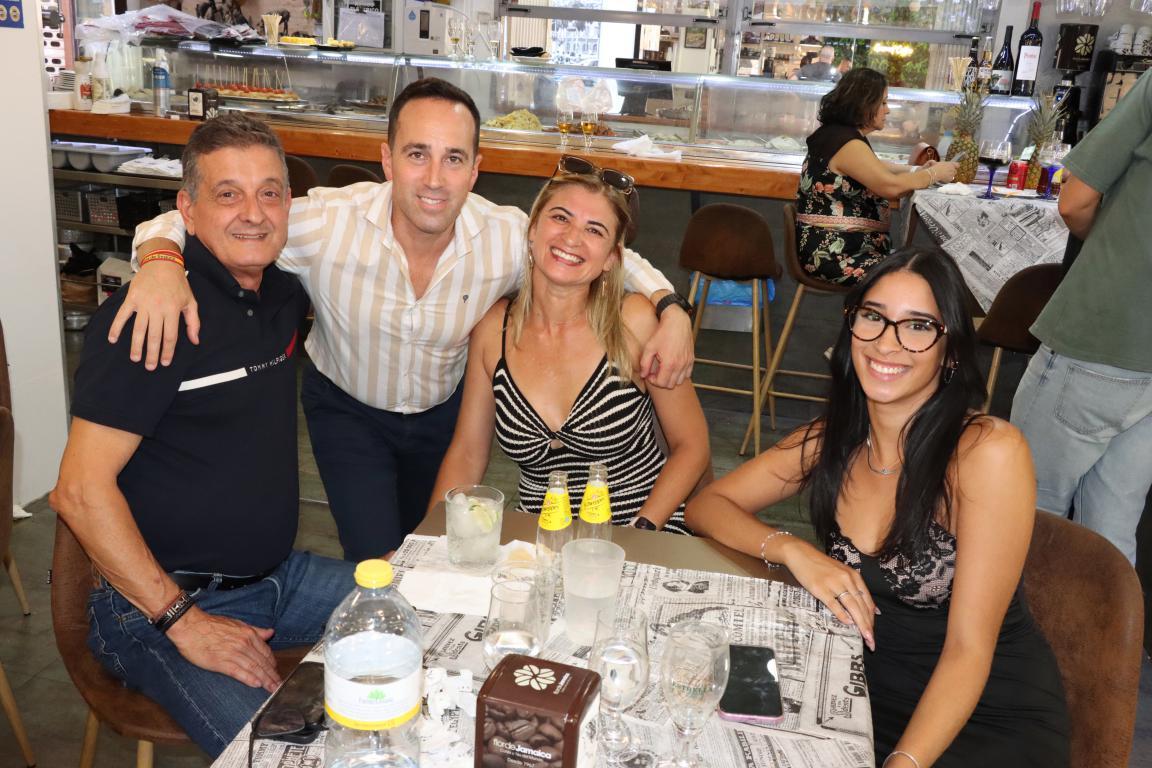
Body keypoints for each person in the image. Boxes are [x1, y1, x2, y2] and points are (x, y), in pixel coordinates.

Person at [118, 78, 695, 561]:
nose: (435, 179)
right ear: (387, 160)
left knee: (431, 548)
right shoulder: (327, 224)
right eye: (417, 154)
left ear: (475, 170)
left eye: (454, 159)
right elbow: (213, 217)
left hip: (441, 412)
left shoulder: (504, 236)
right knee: (377, 560)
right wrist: (161, 259)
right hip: (348, 408)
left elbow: (592, 248)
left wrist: (670, 308)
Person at [685, 249, 1069, 768]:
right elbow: (707, 505)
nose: (887, 342)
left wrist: (903, 762)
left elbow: (969, 649)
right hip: (858, 696)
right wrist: (795, 551)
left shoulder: (986, 453)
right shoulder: (835, 439)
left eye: (918, 326)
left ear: (950, 352)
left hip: (981, 715)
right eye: (873, 316)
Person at [49, 113, 355, 758]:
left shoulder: (283, 297)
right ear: (187, 208)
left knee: (429, 613)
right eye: (228, 194)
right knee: (276, 755)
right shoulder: (151, 318)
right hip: (158, 608)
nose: (254, 214)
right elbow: (78, 491)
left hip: (280, 579)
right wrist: (182, 621)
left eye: (269, 192)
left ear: (289, 203)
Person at [429, 157, 710, 533]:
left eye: (594, 230)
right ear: (532, 230)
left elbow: (692, 445)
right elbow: (467, 452)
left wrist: (642, 529)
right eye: (560, 218)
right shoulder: (494, 329)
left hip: (643, 526)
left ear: (612, 258)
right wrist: (429, 537)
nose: (572, 238)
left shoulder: (634, 321)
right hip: (541, 534)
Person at [1011, 68, 1152, 565]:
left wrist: (1113, 248)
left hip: (1105, 326)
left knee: (1026, 506)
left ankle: (1011, 618)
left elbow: (1074, 201)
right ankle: (1108, 620)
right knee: (1113, 521)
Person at [796, 68, 957, 286]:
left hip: (845, 247)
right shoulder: (847, 142)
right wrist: (934, 173)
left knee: (924, 268)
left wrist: (914, 171)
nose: (887, 110)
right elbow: (890, 187)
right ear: (864, 104)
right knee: (921, 276)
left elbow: (875, 167)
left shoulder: (838, 134)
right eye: (883, 103)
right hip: (835, 255)